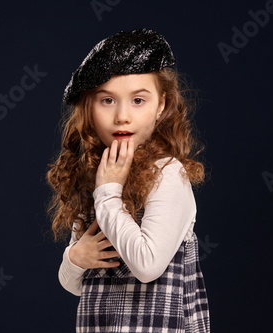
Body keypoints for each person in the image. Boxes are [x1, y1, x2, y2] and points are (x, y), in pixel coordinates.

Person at [47, 28, 211, 332]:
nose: (122, 116)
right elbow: (75, 285)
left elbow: (147, 266)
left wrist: (108, 192)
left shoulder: (167, 174)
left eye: (138, 100)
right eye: (107, 100)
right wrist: (74, 258)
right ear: (89, 110)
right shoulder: (97, 178)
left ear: (160, 106)